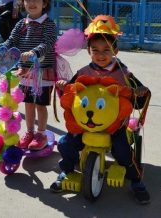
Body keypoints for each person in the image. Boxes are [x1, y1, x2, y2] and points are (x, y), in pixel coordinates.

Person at [50, 15, 151, 205]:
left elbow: (137, 96)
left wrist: (139, 92)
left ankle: (137, 182)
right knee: (65, 143)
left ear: (115, 50)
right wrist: (64, 86)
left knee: (122, 150)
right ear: (88, 51)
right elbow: (72, 93)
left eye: (106, 50)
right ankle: (67, 170)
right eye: (95, 50)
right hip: (86, 123)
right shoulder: (83, 73)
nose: (101, 54)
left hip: (113, 124)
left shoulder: (123, 73)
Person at [0, 0, 56, 150]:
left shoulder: (48, 24)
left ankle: (41, 134)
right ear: (22, 2)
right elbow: (11, 40)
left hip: (42, 72)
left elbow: (48, 43)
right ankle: (30, 132)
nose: (31, 3)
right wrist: (0, 48)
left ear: (45, 3)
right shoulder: (21, 24)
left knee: (40, 104)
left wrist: (34, 52)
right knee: (28, 103)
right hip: (25, 71)